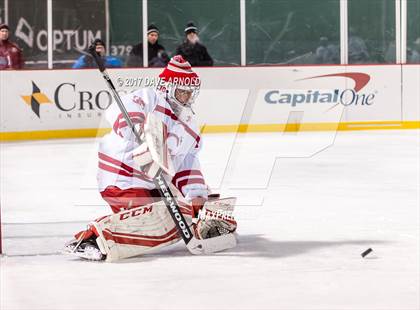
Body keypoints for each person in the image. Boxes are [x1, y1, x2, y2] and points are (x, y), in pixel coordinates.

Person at [64, 55, 237, 261]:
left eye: (190, 92)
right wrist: (135, 126)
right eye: (182, 91)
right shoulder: (149, 98)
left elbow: (188, 165)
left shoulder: (189, 123)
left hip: (155, 180)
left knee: (185, 214)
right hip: (123, 179)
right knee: (159, 221)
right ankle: (94, 238)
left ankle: (204, 222)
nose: (187, 96)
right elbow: (118, 113)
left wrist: (197, 198)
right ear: (168, 87)